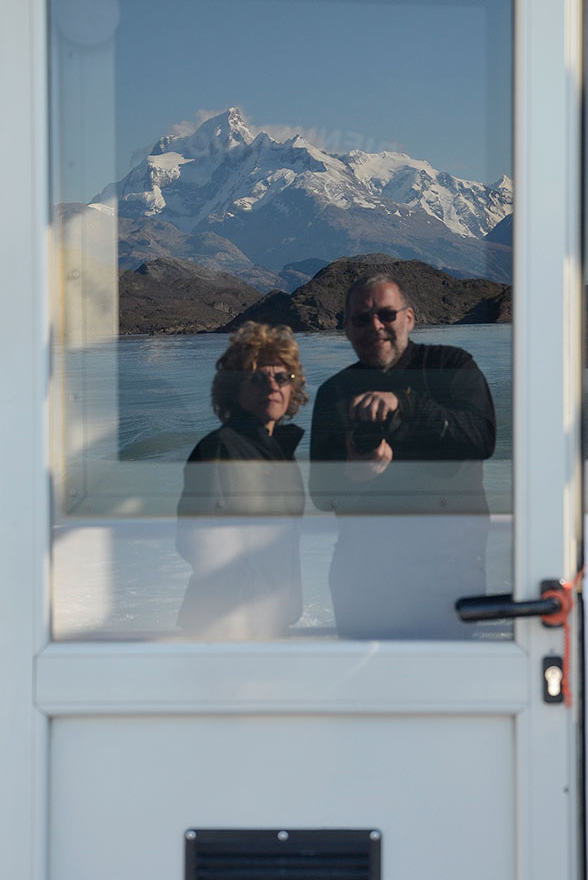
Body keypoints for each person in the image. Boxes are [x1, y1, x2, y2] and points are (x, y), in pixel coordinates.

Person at [309, 272, 496, 639]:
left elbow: (481, 439)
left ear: (409, 318)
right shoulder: (334, 392)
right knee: (367, 693)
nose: (375, 326)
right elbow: (322, 495)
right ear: (347, 328)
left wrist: (406, 406)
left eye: (386, 315)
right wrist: (353, 475)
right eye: (361, 319)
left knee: (447, 686)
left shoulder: (451, 367)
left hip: (449, 571)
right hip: (363, 576)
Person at [176, 322, 307, 639]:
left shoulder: (279, 452)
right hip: (227, 624)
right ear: (234, 388)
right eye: (258, 378)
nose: (272, 386)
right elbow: (192, 540)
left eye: (282, 377)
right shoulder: (220, 449)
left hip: (269, 620)